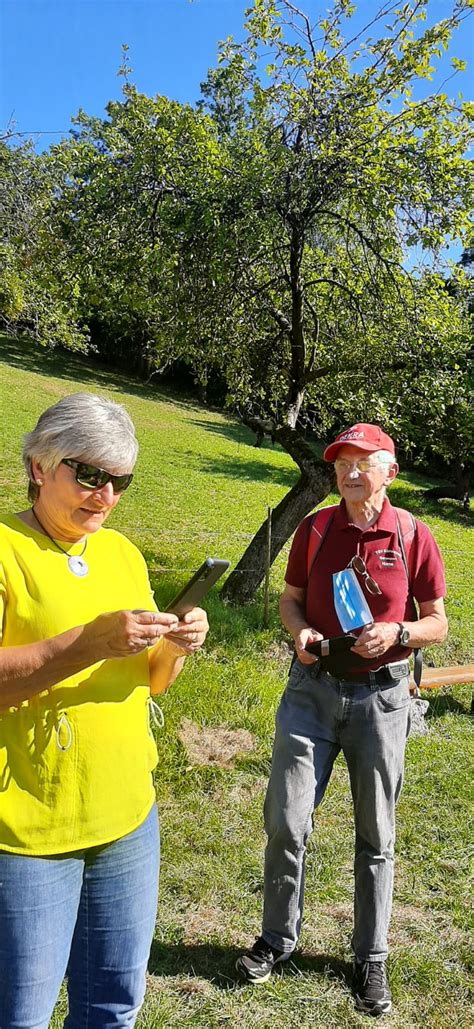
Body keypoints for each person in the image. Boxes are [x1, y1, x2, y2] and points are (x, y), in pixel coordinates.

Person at [0, 392, 209, 1028]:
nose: (105, 496)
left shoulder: (121, 553)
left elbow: (150, 685)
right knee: (23, 1017)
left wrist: (174, 647)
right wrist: (86, 643)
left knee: (115, 1007)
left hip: (127, 820)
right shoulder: (6, 549)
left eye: (119, 480)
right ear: (40, 465)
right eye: (88, 475)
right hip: (30, 829)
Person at [236, 423, 447, 1017]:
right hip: (312, 691)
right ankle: (277, 938)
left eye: (365, 462)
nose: (352, 473)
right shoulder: (317, 527)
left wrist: (400, 632)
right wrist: (298, 629)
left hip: (382, 700)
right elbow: (290, 597)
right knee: (286, 818)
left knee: (376, 833)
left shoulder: (412, 533)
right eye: (342, 463)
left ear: (391, 472)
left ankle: (370, 956)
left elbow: (438, 621)